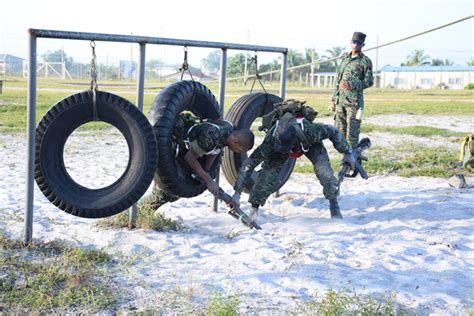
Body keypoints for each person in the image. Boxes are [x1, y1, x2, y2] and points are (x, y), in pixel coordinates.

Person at [230, 100, 356, 223]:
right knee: (267, 176)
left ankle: (333, 204)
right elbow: (249, 164)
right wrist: (237, 193)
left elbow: (333, 131)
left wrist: (347, 152)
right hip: (277, 149)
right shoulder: (270, 143)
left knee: (325, 172)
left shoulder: (310, 131)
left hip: (308, 143)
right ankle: (254, 211)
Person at [141, 113, 255, 213]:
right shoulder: (212, 136)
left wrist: (206, 173)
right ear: (236, 142)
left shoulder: (229, 129)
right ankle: (141, 210)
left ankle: (145, 210)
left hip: (194, 145)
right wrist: (209, 180)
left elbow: (215, 149)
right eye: (240, 150)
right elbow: (189, 158)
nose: (238, 153)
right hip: (172, 144)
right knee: (167, 191)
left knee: (174, 194)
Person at [331, 31, 373, 149]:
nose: (355, 45)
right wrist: (334, 99)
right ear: (350, 43)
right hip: (340, 101)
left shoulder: (365, 61)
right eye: (354, 42)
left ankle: (354, 159)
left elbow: (369, 81)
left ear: (362, 45)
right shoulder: (345, 58)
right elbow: (338, 79)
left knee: (352, 135)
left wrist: (353, 84)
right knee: (339, 131)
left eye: (359, 43)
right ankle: (344, 157)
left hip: (354, 104)